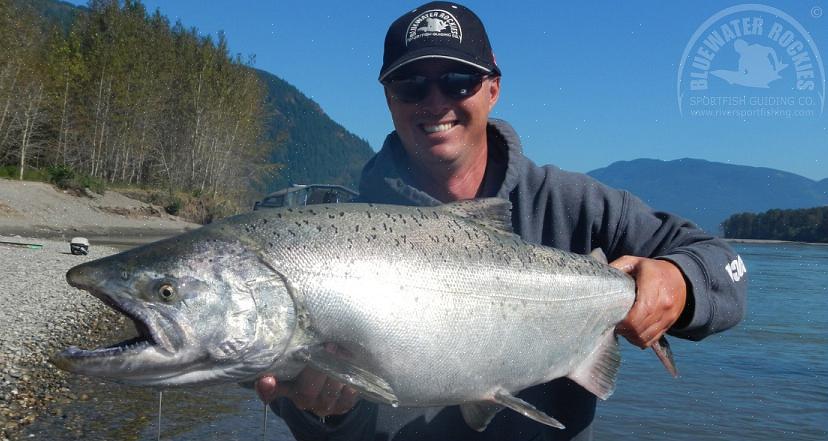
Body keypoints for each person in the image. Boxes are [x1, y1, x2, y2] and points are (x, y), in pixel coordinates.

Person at [255, 2, 747, 440]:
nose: (435, 102)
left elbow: (726, 269)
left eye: (457, 81)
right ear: (388, 98)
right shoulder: (328, 250)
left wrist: (679, 284)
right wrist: (324, 416)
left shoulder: (573, 205)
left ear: (492, 89)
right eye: (411, 85)